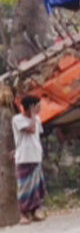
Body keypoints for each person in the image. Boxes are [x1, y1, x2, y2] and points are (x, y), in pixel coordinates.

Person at [13, 95, 46, 224]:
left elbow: (38, 135)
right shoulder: (17, 119)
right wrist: (32, 115)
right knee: (24, 187)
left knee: (36, 186)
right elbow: (31, 130)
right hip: (24, 157)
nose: (40, 109)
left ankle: (34, 211)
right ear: (31, 107)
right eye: (38, 106)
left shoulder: (37, 119)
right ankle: (23, 214)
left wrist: (34, 117)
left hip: (35, 155)